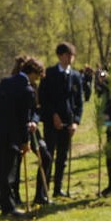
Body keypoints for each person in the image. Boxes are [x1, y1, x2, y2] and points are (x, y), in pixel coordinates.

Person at [0, 56, 42, 218]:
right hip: (11, 135)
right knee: (8, 171)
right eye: (37, 76)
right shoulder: (27, 90)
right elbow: (23, 119)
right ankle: (8, 207)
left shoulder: (5, 82)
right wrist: (25, 142)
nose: (36, 80)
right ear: (32, 73)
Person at [38, 41, 82, 199]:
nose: (70, 58)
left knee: (62, 157)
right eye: (67, 55)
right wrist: (52, 115)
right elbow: (43, 98)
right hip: (51, 122)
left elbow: (79, 101)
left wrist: (76, 122)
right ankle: (43, 191)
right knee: (48, 156)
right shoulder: (49, 74)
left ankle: (58, 188)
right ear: (60, 56)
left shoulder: (76, 76)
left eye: (72, 55)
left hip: (68, 123)